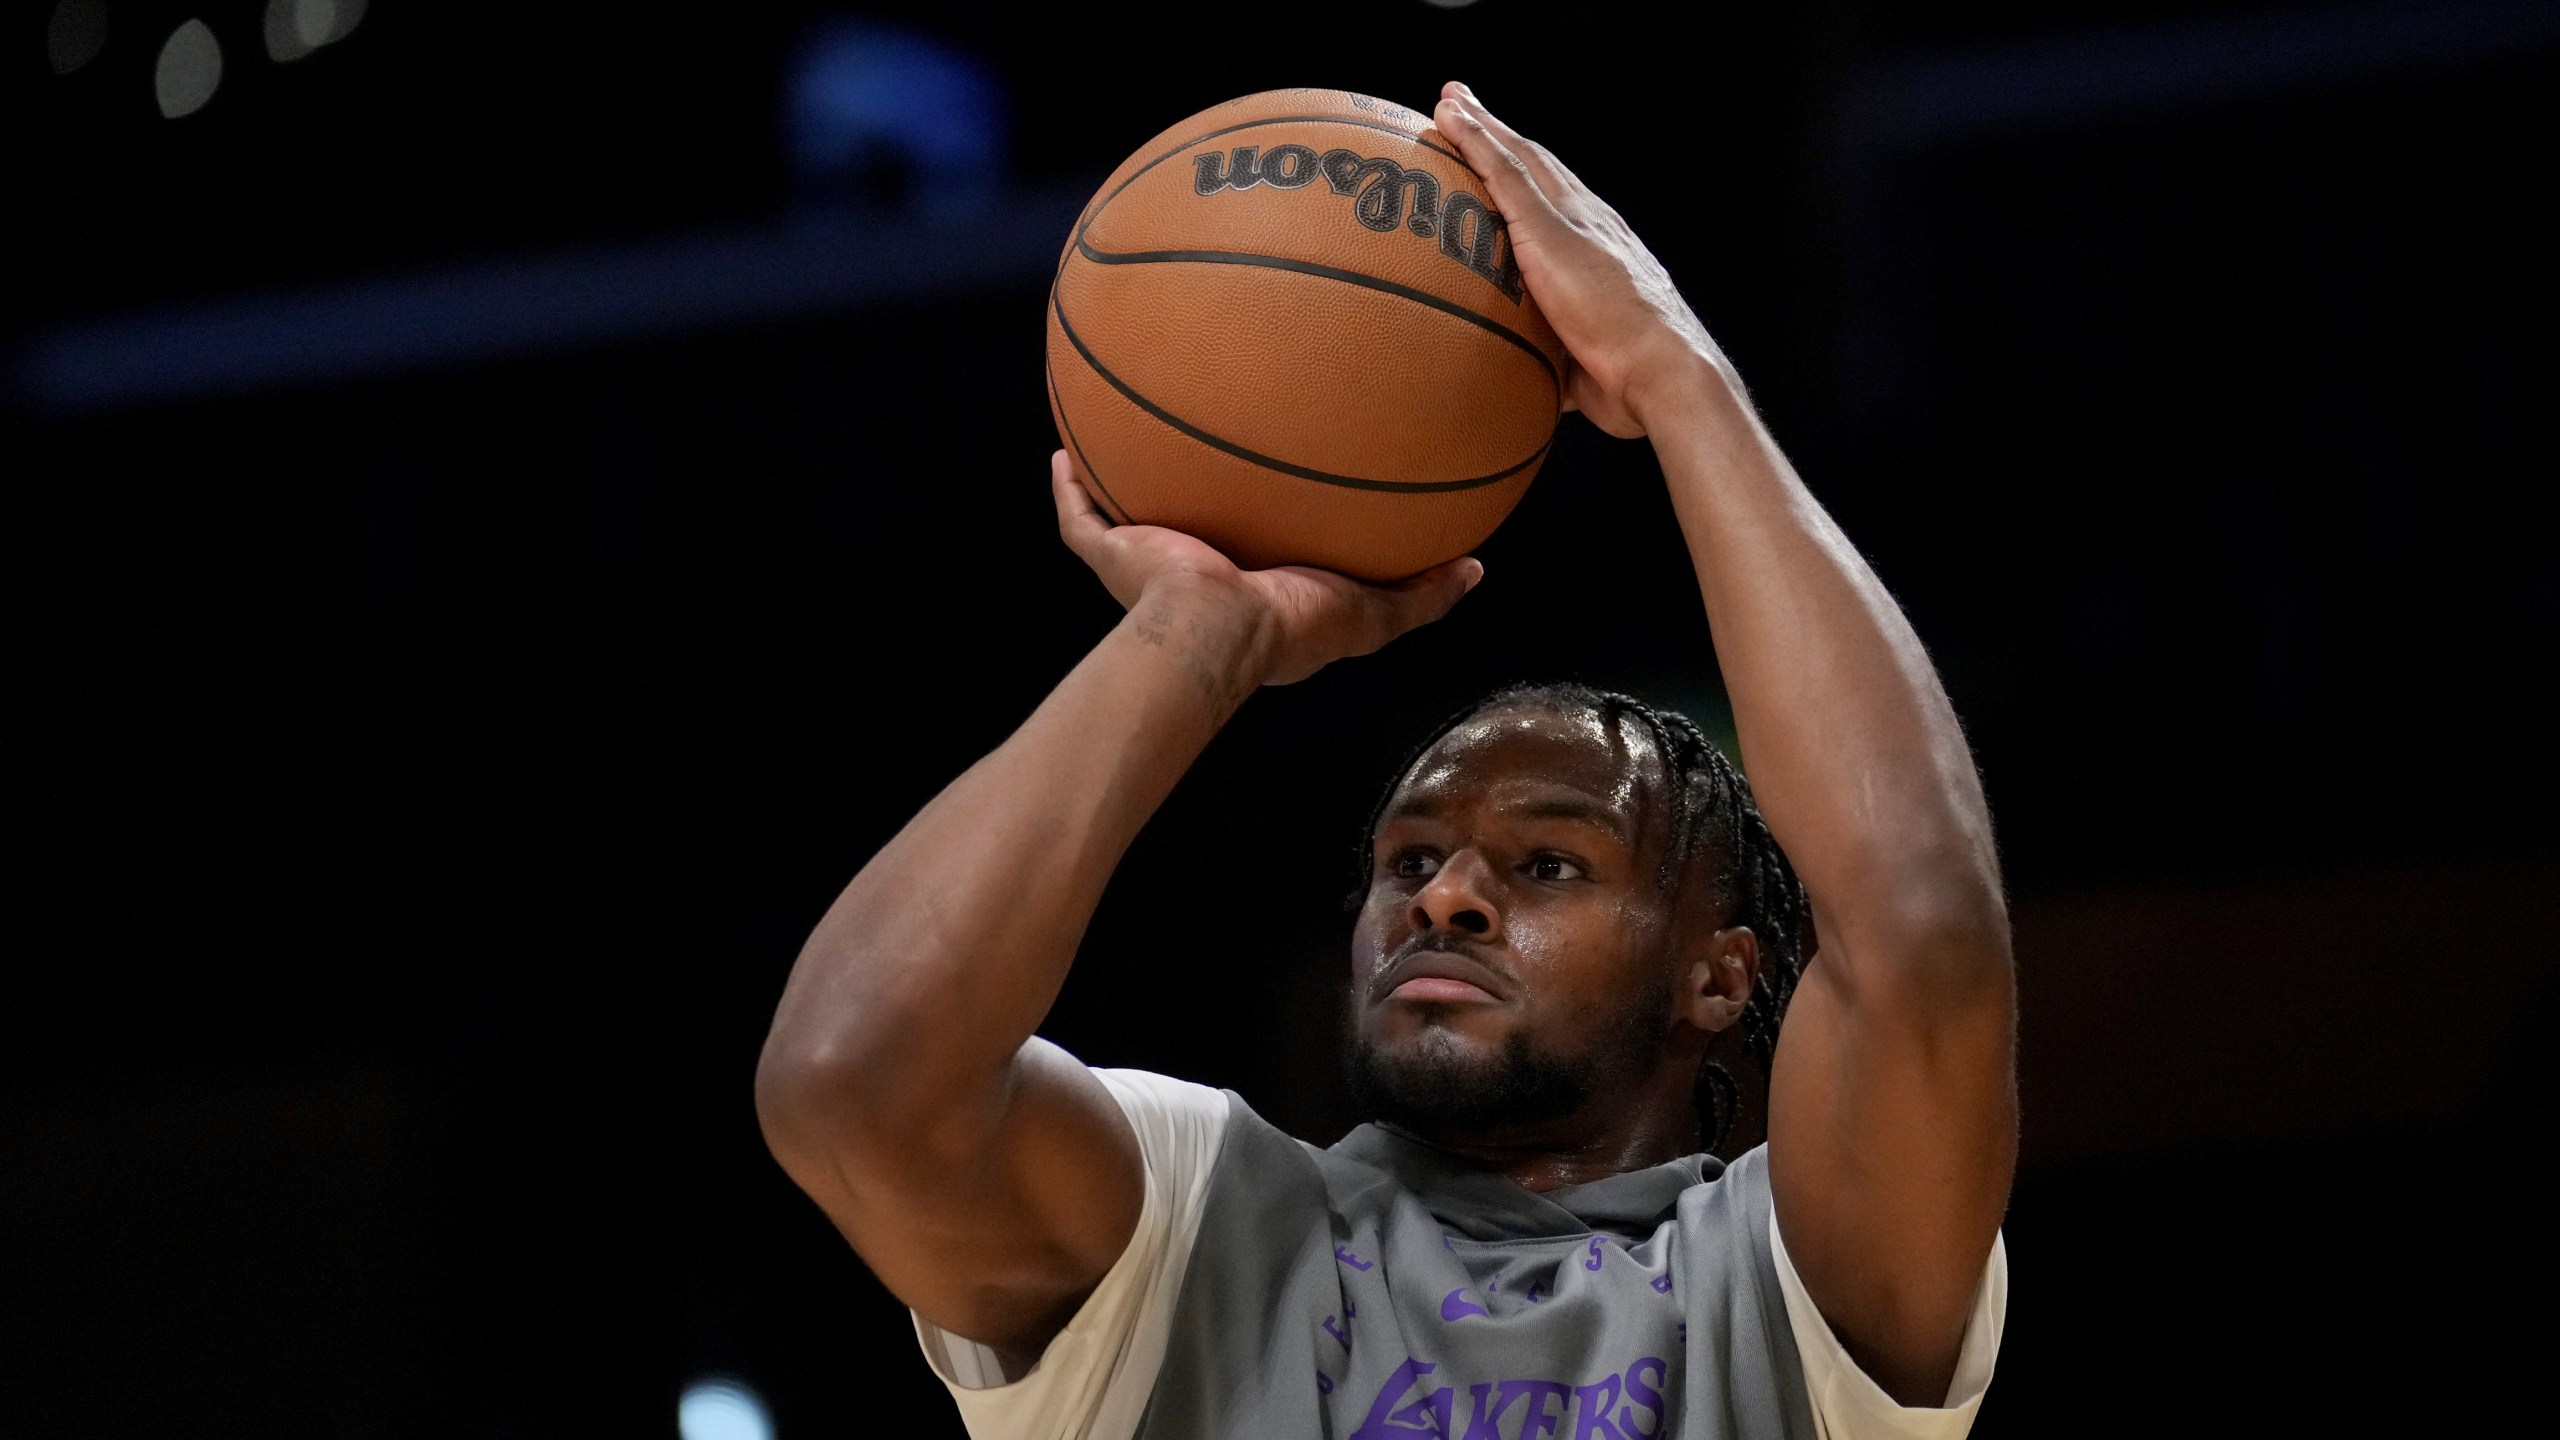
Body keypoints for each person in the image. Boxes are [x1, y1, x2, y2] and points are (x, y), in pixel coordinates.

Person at [755, 82, 2016, 1440]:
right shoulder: (1186, 1225)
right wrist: (1196, 635)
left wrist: (1677, 379)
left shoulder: (1790, 1278)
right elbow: (851, 1080)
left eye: (1547, 863)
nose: (1444, 897)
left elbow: (1925, 941)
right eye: (1410, 859)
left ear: (1718, 973)